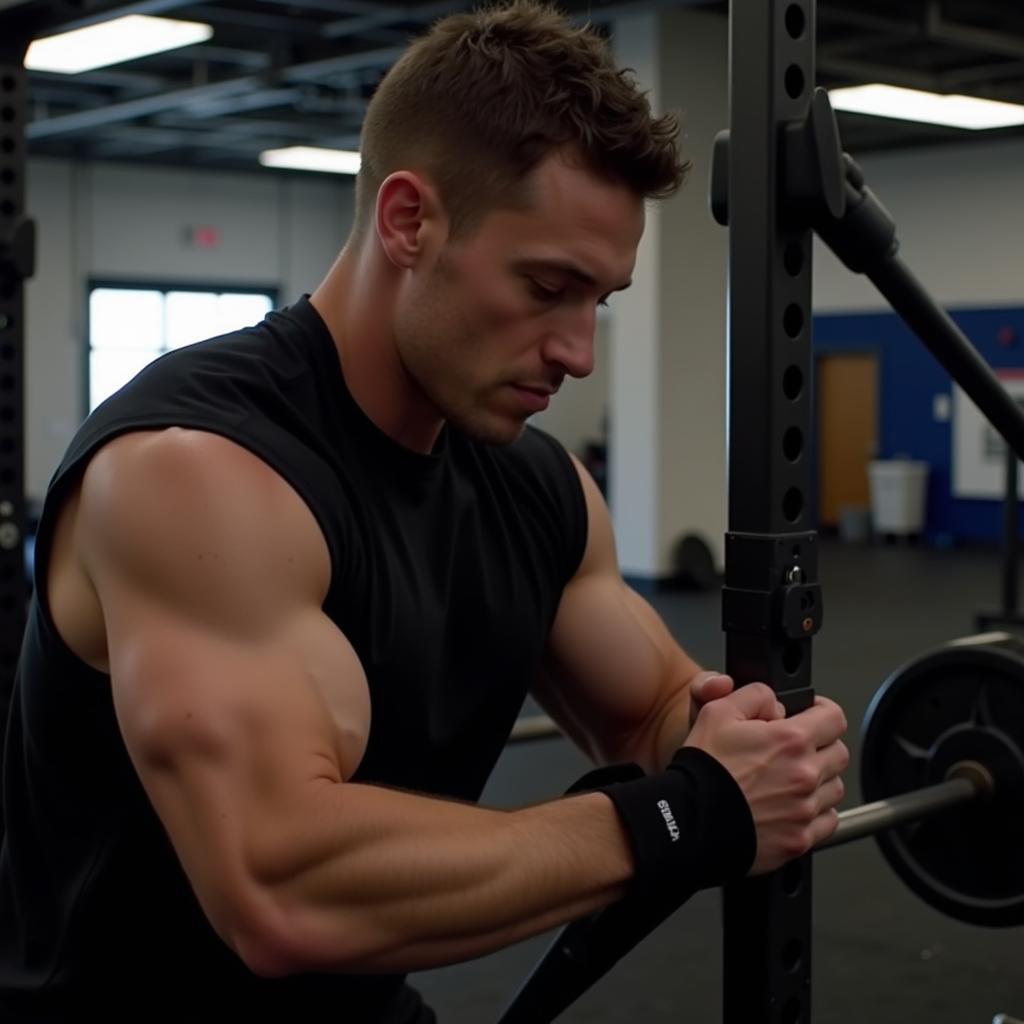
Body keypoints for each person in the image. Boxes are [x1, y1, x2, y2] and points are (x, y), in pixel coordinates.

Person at [0, 2, 848, 1021]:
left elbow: (654, 713)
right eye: (547, 286)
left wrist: (741, 740)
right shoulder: (197, 474)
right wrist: (682, 815)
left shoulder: (537, 488)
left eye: (600, 302)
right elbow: (284, 889)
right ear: (409, 220)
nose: (578, 351)